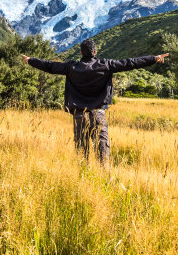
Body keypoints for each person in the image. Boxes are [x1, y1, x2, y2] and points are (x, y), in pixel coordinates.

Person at [21, 39, 168, 166]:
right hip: (98, 114)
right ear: (95, 52)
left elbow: (50, 66)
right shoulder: (106, 65)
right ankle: (103, 178)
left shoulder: (71, 67)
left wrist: (30, 60)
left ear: (81, 53)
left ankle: (83, 179)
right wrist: (154, 58)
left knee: (81, 151)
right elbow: (130, 63)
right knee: (102, 150)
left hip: (79, 115)